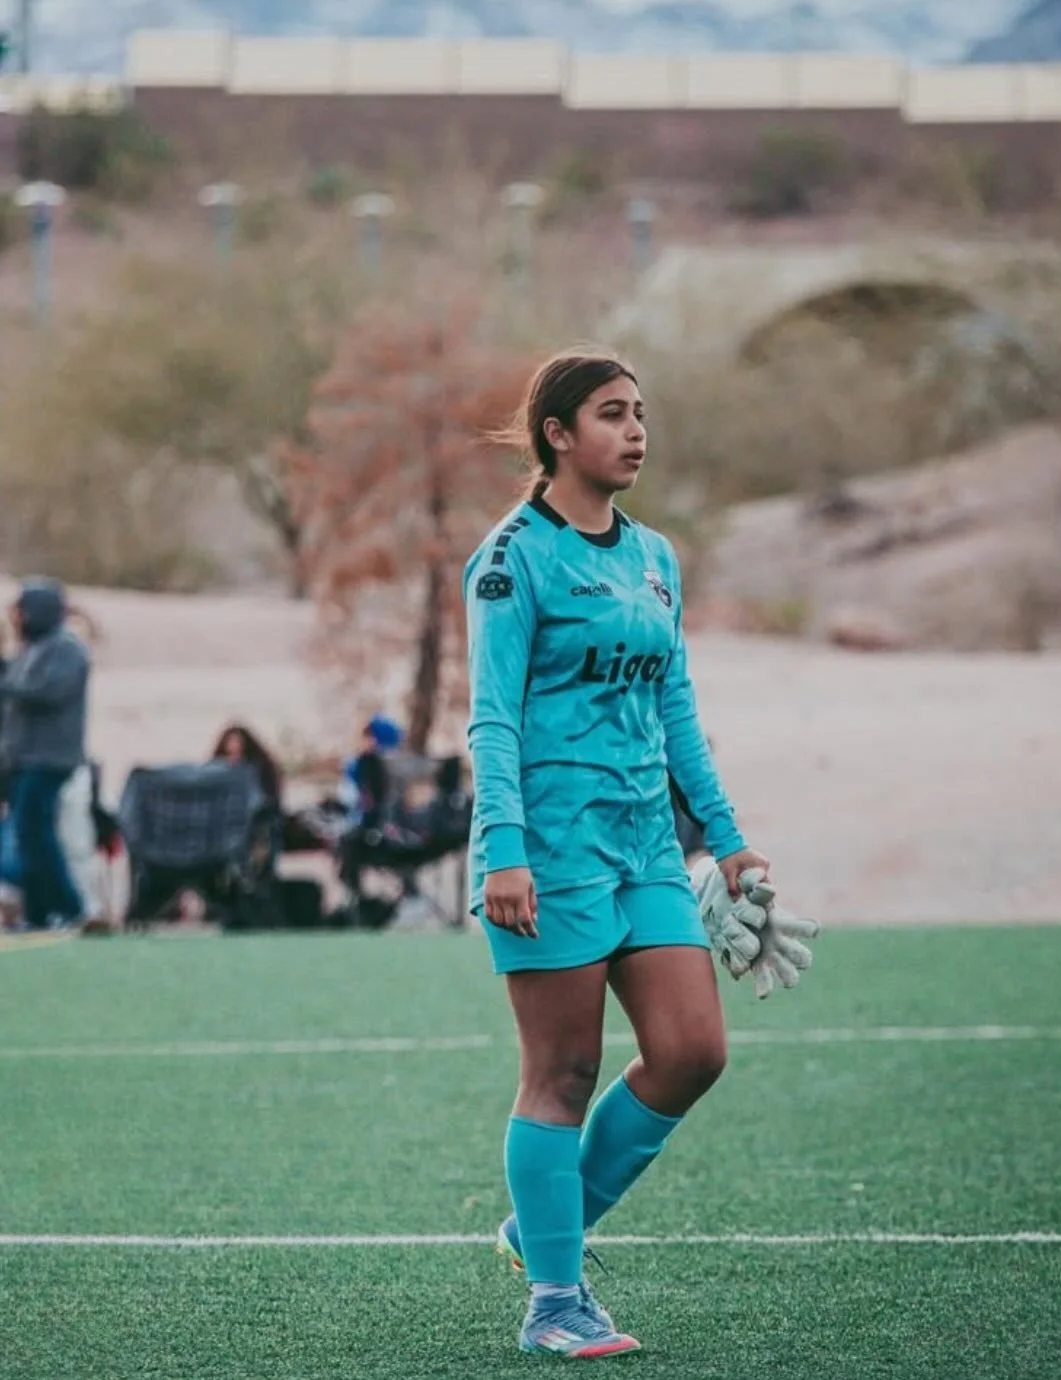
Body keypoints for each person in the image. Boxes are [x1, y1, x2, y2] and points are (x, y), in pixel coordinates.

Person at [464, 352, 772, 1359]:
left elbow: (677, 709)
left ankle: (538, 1229)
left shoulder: (655, 557)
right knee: (562, 1069)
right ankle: (555, 1299)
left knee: (693, 1052)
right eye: (610, 414)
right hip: (548, 851)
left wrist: (726, 842)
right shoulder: (513, 559)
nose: (634, 431)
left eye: (640, 414)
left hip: (646, 844)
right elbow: (492, 721)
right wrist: (503, 851)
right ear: (557, 433)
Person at [0, 579, 91, 931]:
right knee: (27, 836)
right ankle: (39, 912)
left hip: (49, 758)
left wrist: (5, 683)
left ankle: (69, 905)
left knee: (36, 834)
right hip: (22, 759)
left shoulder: (66, 649)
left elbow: (47, 692)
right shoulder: (31, 650)